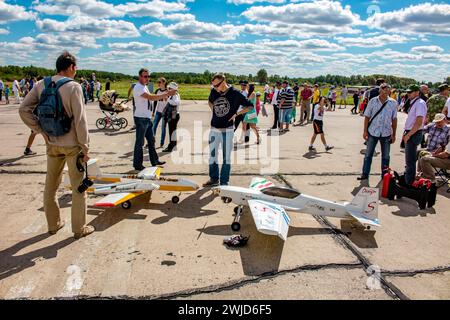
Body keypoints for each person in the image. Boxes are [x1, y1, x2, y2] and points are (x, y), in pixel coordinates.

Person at [19, 51, 94, 239]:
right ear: (70, 67)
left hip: (51, 143)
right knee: (78, 188)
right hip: (72, 146)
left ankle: (53, 225)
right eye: (75, 67)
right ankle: (79, 228)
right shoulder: (74, 87)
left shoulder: (41, 84)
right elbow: (80, 121)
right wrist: (85, 147)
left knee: (50, 187)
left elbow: (24, 109)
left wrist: (40, 130)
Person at [204, 73, 253, 187]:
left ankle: (224, 182)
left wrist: (236, 114)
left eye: (217, 85)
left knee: (226, 157)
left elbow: (250, 106)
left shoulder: (235, 93)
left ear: (223, 81)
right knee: (212, 155)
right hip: (214, 129)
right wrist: (214, 110)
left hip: (228, 130)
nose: (215, 88)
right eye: (213, 86)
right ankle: (214, 179)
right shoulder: (214, 91)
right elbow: (210, 101)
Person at [132, 68, 174, 171]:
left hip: (147, 118)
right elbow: (150, 98)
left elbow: (151, 99)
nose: (147, 78)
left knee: (151, 141)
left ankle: (154, 161)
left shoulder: (144, 86)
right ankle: (137, 164)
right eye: (145, 76)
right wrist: (167, 94)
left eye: (148, 76)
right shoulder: (138, 87)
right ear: (140, 77)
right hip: (141, 118)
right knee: (140, 143)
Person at [358, 83, 398, 181]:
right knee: (368, 155)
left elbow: (394, 119)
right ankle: (365, 174)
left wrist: (394, 134)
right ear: (380, 90)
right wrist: (365, 131)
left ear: (389, 91)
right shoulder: (373, 101)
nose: (385, 90)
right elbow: (367, 116)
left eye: (388, 89)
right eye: (383, 88)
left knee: (386, 156)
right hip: (373, 132)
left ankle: (384, 176)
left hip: (386, 133)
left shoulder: (393, 103)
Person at [402, 84, 427, 185]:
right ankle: (409, 180)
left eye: (410, 92)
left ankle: (409, 183)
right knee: (409, 160)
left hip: (414, 133)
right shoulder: (415, 102)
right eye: (407, 92)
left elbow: (419, 121)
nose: (408, 94)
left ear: (417, 92)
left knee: (410, 161)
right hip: (412, 132)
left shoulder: (420, 103)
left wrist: (409, 134)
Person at [162, 82, 181, 153]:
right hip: (173, 115)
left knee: (172, 132)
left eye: (169, 88)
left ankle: (171, 147)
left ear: (173, 89)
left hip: (174, 116)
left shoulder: (175, 95)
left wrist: (168, 99)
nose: (168, 89)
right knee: (173, 132)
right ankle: (173, 146)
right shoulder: (173, 95)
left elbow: (176, 103)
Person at [152, 78, 168, 148]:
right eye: (157, 82)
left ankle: (162, 143)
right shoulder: (157, 91)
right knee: (153, 127)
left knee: (163, 128)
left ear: (164, 83)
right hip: (158, 111)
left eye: (159, 82)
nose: (158, 83)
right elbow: (155, 101)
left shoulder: (168, 91)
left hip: (165, 113)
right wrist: (153, 111)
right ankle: (152, 141)